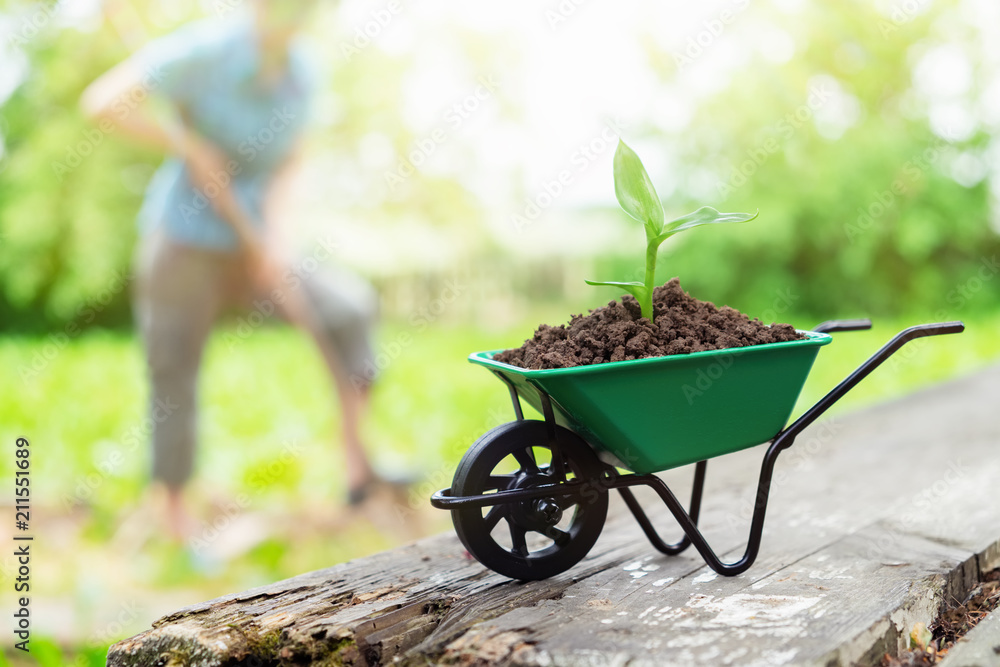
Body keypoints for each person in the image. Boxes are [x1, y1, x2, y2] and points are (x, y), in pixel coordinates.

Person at [82, 0, 383, 540]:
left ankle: (359, 463)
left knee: (348, 307)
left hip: (255, 243)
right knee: (173, 370)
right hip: (184, 241)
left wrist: (276, 243)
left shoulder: (303, 75)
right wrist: (187, 143)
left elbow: (292, 161)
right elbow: (102, 103)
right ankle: (175, 519)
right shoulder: (205, 51)